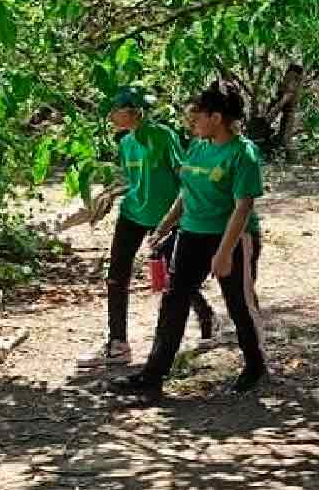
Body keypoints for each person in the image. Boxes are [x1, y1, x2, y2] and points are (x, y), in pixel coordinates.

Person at [109, 81, 269, 399]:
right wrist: (166, 226)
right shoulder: (198, 146)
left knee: (239, 302)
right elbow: (185, 190)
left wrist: (224, 252)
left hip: (231, 237)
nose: (192, 121)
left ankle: (255, 365)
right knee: (173, 301)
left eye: (199, 115)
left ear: (217, 117)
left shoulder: (242, 153)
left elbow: (243, 207)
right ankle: (153, 375)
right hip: (191, 234)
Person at [78, 87, 218, 369]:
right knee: (116, 275)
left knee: (175, 277)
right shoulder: (126, 143)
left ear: (133, 111)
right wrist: (113, 192)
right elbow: (135, 180)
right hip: (132, 214)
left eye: (115, 110)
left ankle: (207, 318)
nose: (111, 116)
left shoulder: (162, 136)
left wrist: (191, 212)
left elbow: (182, 173)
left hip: (165, 217)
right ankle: (118, 342)